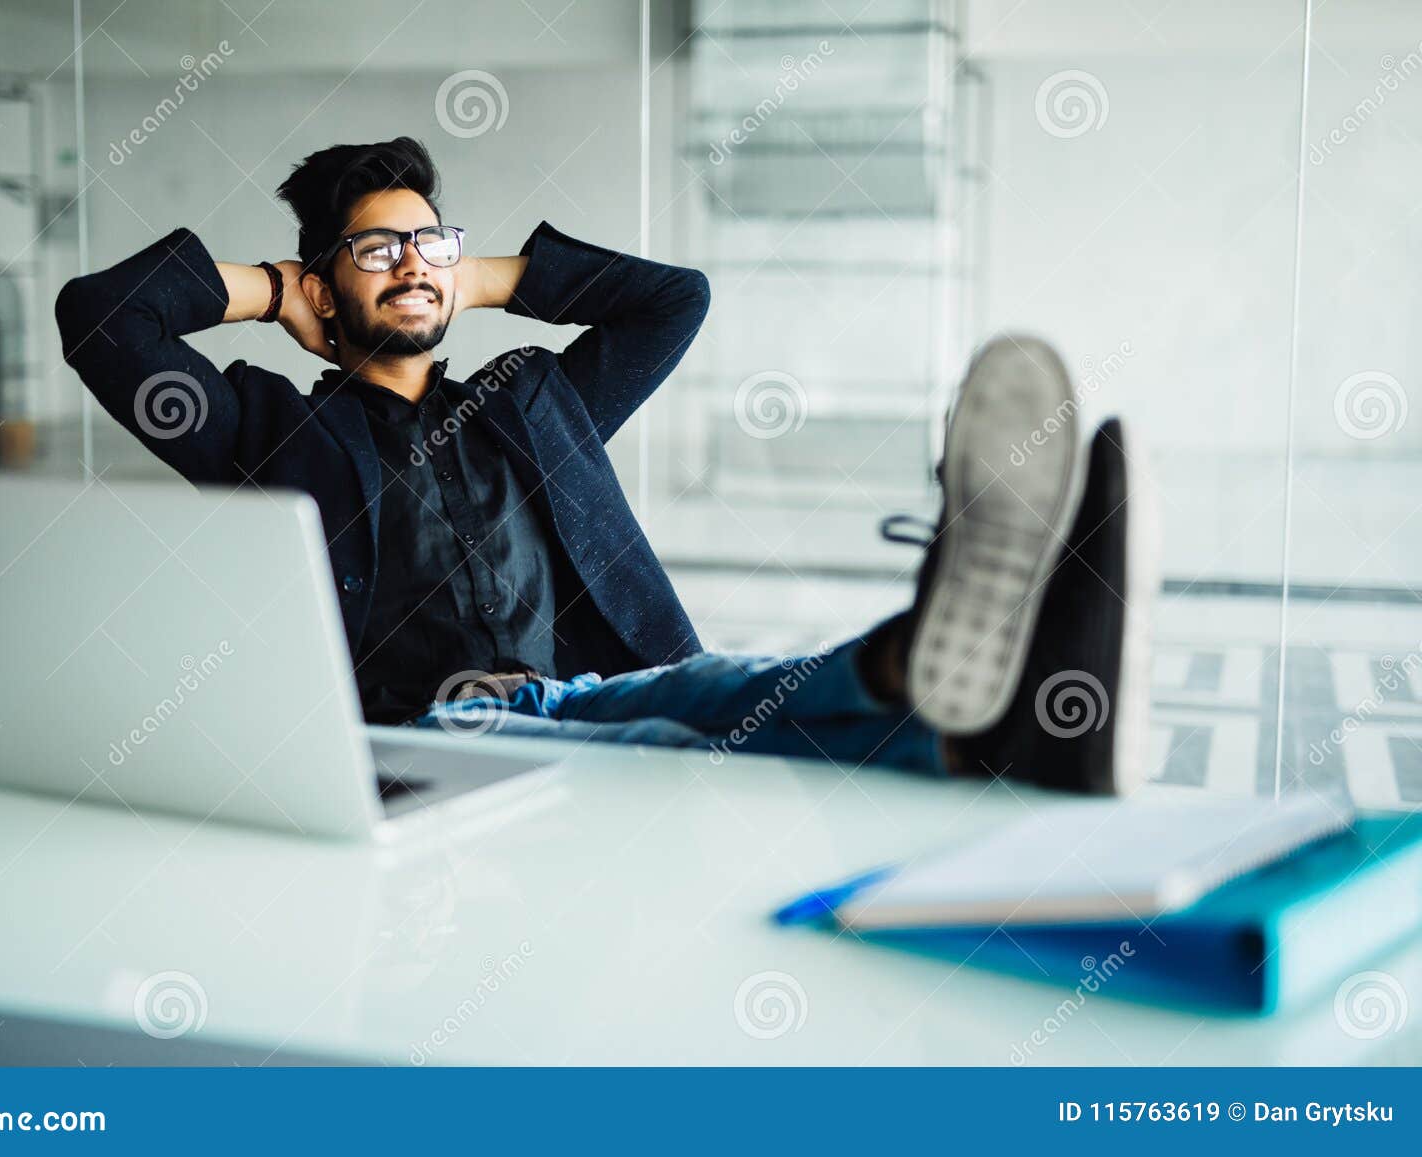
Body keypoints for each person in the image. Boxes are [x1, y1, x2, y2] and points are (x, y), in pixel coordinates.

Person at [56, 136, 1152, 795]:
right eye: (375, 250)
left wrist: (465, 276)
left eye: (429, 242)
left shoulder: (532, 402)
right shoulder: (272, 435)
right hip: (427, 733)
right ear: (321, 281)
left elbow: (675, 298)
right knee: (683, 738)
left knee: (728, 689)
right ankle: (986, 710)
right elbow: (107, 323)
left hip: (587, 688)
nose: (411, 265)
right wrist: (265, 286)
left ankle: (969, 689)